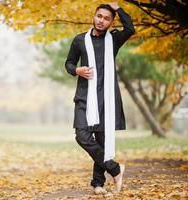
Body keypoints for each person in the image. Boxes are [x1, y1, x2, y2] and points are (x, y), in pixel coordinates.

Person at [65, 2, 135, 194]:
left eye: (106, 18)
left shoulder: (114, 40)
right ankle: (115, 168)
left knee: (102, 141)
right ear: (94, 16)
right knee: (82, 136)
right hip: (84, 97)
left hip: (106, 99)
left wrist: (118, 8)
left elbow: (130, 28)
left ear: (111, 22)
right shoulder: (79, 40)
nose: (101, 21)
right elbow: (69, 63)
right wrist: (76, 70)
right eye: (99, 16)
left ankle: (98, 183)